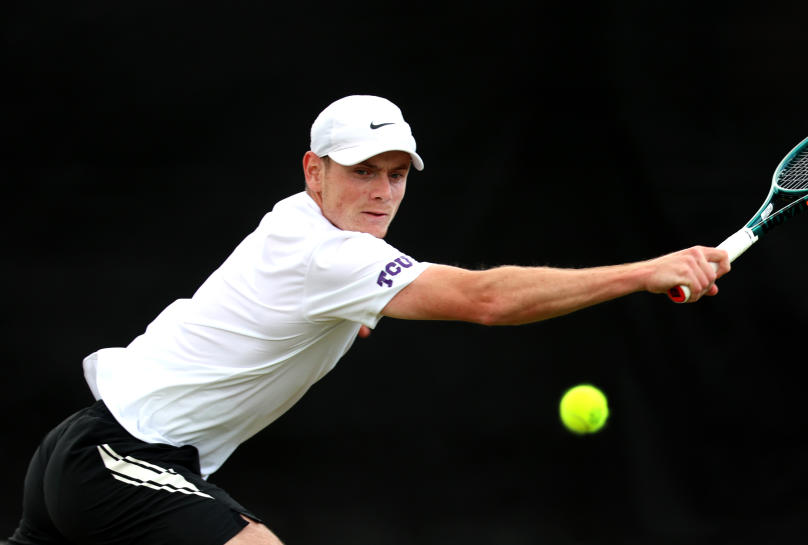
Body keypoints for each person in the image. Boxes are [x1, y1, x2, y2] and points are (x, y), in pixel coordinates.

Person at [8, 95, 731, 545]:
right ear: (312, 170)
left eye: (397, 173)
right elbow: (486, 299)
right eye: (362, 171)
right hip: (118, 460)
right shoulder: (327, 256)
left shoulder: (308, 235)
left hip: (79, 454)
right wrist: (645, 271)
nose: (383, 191)